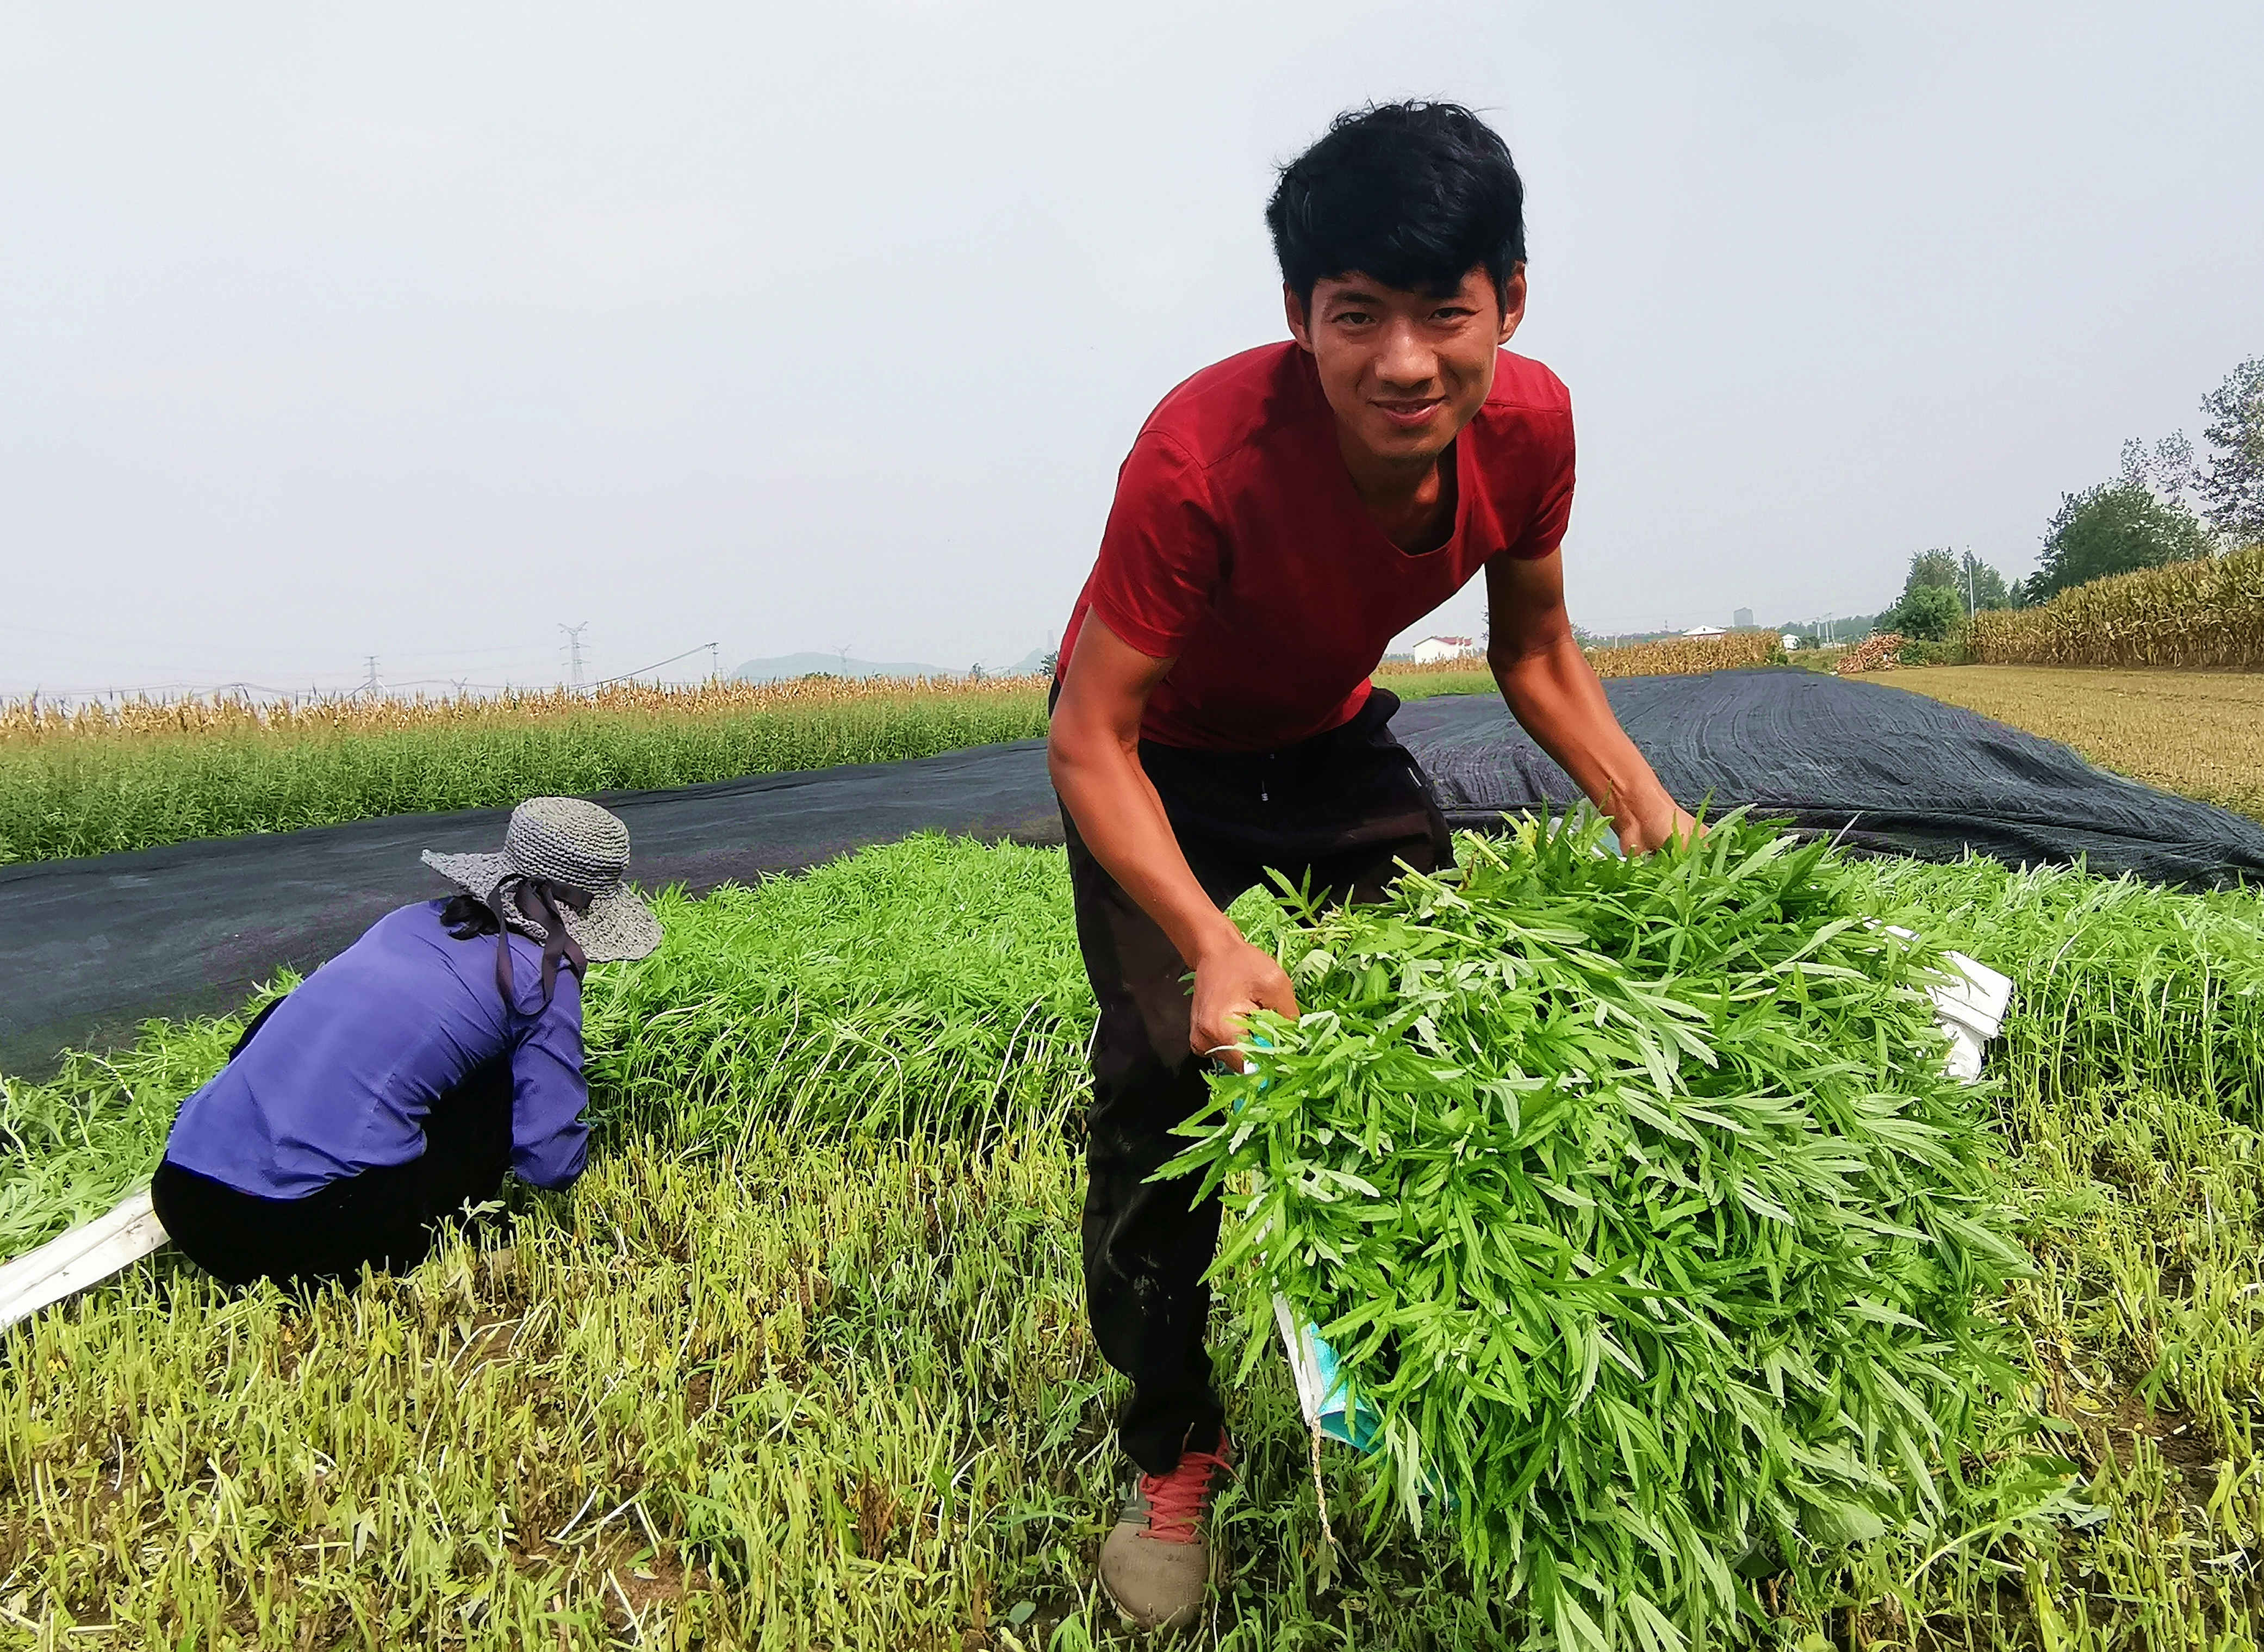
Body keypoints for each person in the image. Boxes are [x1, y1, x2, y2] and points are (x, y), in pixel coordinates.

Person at [1046, 102, 1698, 1630]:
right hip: (1155, 760)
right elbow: (1090, 737)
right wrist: (1207, 938)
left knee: (1448, 1032)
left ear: (1508, 302)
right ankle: (1172, 1450)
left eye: (1442, 313)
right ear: (1297, 320)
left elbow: (1533, 649)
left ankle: (1416, 1367)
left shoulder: (1529, 429)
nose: (1403, 361)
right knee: (1163, 1095)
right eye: (1357, 317)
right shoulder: (1198, 459)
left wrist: (1638, 800)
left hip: (1324, 738)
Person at [151, 796, 663, 1289]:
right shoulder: (545, 978)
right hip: (300, 1233)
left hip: (181, 1196)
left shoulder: (410, 920)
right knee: (498, 1081)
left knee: (291, 1015)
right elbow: (547, 1161)